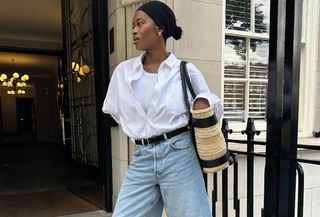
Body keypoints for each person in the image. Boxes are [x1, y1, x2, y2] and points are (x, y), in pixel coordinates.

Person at [102, 1, 223, 216]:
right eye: (132, 26)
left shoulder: (184, 70)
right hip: (142, 156)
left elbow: (212, 110)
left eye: (140, 24)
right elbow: (118, 114)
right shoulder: (123, 72)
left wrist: (203, 101)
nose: (134, 31)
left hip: (179, 154)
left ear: (159, 28)